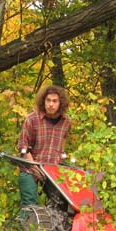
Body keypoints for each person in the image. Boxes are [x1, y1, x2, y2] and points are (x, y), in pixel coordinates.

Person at [17, 84, 72, 214]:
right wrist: (33, 166)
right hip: (30, 168)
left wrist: (63, 162)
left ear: (61, 103)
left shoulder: (66, 122)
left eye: (54, 101)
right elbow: (23, 146)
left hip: (52, 170)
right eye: (48, 100)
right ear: (43, 101)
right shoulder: (32, 119)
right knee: (30, 204)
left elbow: (62, 145)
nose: (51, 104)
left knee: (61, 204)